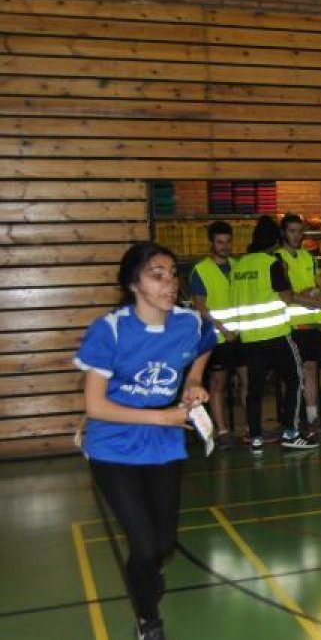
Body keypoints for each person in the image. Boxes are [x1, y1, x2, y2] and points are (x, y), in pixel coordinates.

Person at [74, 242, 218, 640]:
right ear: (133, 283)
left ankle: (146, 575)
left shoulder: (187, 323)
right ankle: (147, 620)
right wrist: (162, 415)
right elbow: (95, 406)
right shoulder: (110, 330)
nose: (169, 283)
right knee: (142, 542)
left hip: (164, 446)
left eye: (172, 274)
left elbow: (208, 340)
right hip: (113, 447)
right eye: (157, 274)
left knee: (162, 543)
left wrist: (193, 381)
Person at [230, 216, 317, 453]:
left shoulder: (239, 266)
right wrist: (311, 302)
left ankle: (256, 437)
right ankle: (291, 432)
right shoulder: (272, 263)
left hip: (249, 339)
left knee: (254, 389)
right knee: (295, 379)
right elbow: (286, 297)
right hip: (276, 335)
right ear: (276, 240)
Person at [276, 213, 321, 435]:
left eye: (300, 231)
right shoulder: (278, 259)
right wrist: (311, 299)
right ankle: (291, 419)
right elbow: (287, 294)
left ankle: (312, 418)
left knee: (311, 371)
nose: (297, 235)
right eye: (292, 231)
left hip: (311, 326)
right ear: (283, 233)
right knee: (292, 374)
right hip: (290, 327)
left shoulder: (308, 257)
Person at [189, 221, 239, 450]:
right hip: (216, 339)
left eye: (228, 241)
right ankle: (222, 430)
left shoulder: (239, 267)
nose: (225, 246)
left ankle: (248, 430)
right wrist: (223, 329)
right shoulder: (201, 270)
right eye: (220, 242)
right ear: (211, 243)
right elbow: (200, 306)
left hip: (241, 336)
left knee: (246, 381)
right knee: (218, 384)